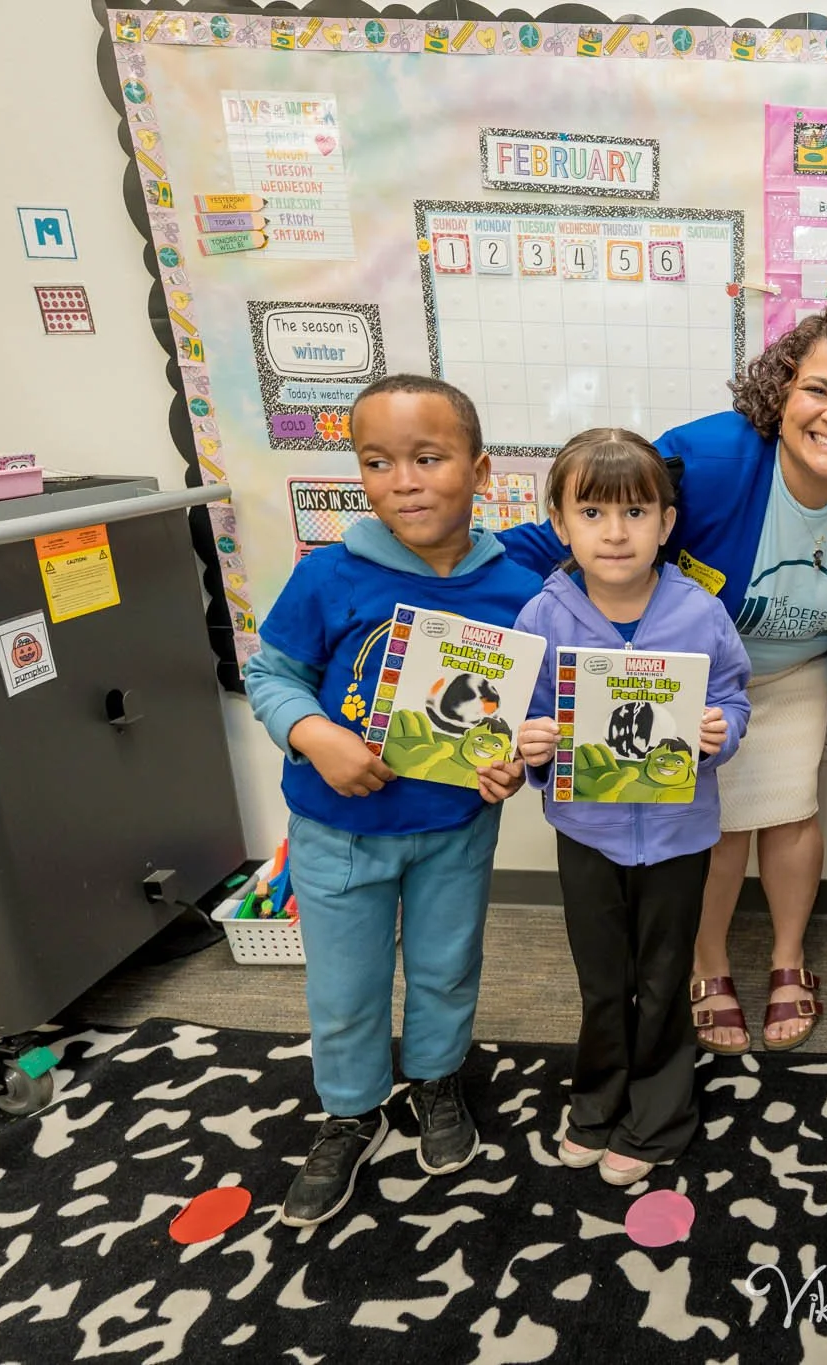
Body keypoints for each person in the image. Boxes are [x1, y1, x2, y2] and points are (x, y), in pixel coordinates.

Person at [501, 298, 827, 1051]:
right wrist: (488, 634)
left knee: (793, 807)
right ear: (781, 393)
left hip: (799, 668)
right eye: (818, 389)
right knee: (720, 826)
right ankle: (710, 965)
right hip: (689, 673)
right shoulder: (705, 458)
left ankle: (787, 959)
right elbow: (566, 534)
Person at [245, 375, 540, 1227]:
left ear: (479, 471)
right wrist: (315, 735)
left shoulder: (515, 588)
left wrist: (509, 767)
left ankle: (438, 1080)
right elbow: (272, 672)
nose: (403, 480)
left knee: (448, 967)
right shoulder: (328, 574)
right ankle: (351, 1110)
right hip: (338, 831)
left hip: (453, 827)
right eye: (378, 461)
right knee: (346, 987)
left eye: (428, 457)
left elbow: (517, 713)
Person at [513, 429, 751, 1186]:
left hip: (680, 834)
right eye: (592, 512)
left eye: (636, 513)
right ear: (561, 523)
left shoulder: (698, 611)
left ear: (666, 524)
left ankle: (659, 1115)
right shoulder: (542, 617)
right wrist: (535, 743)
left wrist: (720, 731)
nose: (615, 532)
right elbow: (523, 723)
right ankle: (596, 1101)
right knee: (601, 979)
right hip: (588, 831)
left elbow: (731, 696)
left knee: (664, 972)